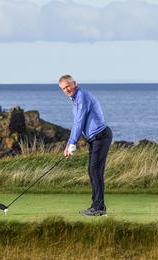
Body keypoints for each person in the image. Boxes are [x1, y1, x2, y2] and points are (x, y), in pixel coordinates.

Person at [58, 74, 113, 216]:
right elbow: (76, 123)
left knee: (95, 171)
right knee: (92, 171)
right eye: (63, 88)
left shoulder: (82, 97)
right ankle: (97, 206)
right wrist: (69, 144)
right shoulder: (76, 99)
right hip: (94, 140)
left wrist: (72, 143)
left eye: (68, 86)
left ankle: (99, 208)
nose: (66, 90)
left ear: (74, 83)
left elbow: (79, 122)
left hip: (101, 137)